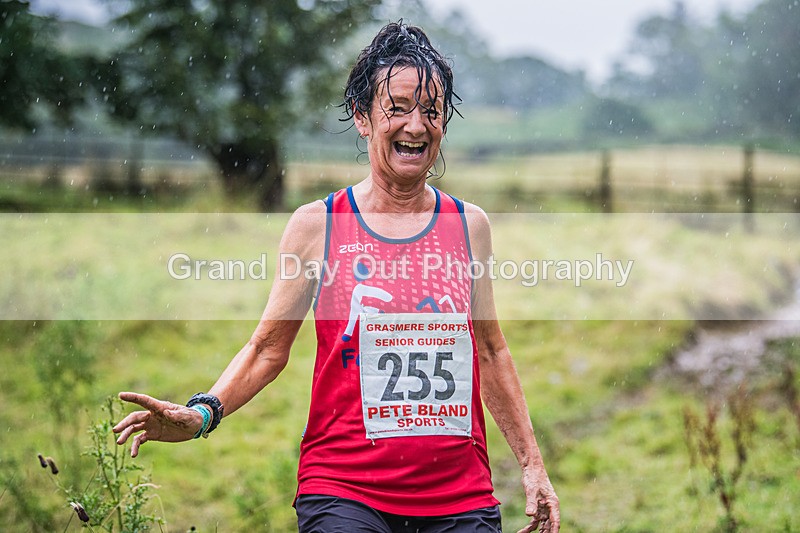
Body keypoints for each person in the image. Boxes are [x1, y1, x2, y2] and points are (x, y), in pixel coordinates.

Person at [113, 21, 560, 533]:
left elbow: (490, 350)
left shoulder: (468, 226)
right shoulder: (317, 226)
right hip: (345, 490)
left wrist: (533, 467)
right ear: (362, 117)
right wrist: (202, 414)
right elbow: (267, 349)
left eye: (432, 110)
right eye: (398, 107)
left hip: (458, 494)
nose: (417, 125)